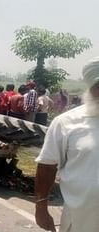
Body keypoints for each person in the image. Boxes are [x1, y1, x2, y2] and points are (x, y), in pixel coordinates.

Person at [34, 57, 99, 232]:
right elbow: (47, 165)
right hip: (80, 221)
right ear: (90, 88)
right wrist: (41, 207)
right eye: (98, 87)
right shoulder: (66, 122)